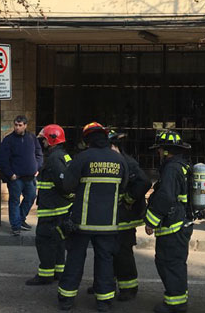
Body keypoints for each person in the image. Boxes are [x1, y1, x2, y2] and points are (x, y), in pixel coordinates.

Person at [57, 122, 128, 312]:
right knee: (105, 261)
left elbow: (67, 186)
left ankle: (66, 299)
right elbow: (123, 187)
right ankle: (104, 301)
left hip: (81, 222)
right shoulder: (119, 160)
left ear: (87, 140)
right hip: (108, 223)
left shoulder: (82, 158)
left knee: (75, 259)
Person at [144, 130, 193, 313]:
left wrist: (151, 221)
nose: (158, 153)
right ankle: (178, 299)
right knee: (175, 263)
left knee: (169, 263)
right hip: (180, 222)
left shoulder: (172, 168)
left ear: (165, 151)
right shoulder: (181, 165)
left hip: (174, 225)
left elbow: (165, 197)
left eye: (160, 149)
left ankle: (175, 304)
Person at [105, 130, 151, 301]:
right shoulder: (115, 161)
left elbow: (144, 182)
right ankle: (105, 284)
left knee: (122, 253)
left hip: (126, 216)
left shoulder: (127, 162)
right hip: (115, 216)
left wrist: (129, 199)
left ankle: (129, 289)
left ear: (113, 145)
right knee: (110, 252)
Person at [26, 124, 73, 286]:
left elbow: (63, 182)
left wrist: (67, 194)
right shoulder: (63, 156)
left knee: (44, 240)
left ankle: (45, 274)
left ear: (52, 140)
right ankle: (59, 271)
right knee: (58, 240)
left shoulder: (54, 159)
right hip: (60, 207)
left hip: (52, 209)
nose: (42, 143)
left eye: (44, 140)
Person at [0, 115, 43, 235]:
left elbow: (39, 154)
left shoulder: (32, 138)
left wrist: (37, 167)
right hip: (16, 178)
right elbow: (2, 159)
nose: (17, 127)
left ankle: (21, 219)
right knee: (14, 201)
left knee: (31, 197)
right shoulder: (8, 140)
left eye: (20, 125)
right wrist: (10, 174)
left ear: (25, 125)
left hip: (30, 176)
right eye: (16, 125)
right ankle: (16, 226)